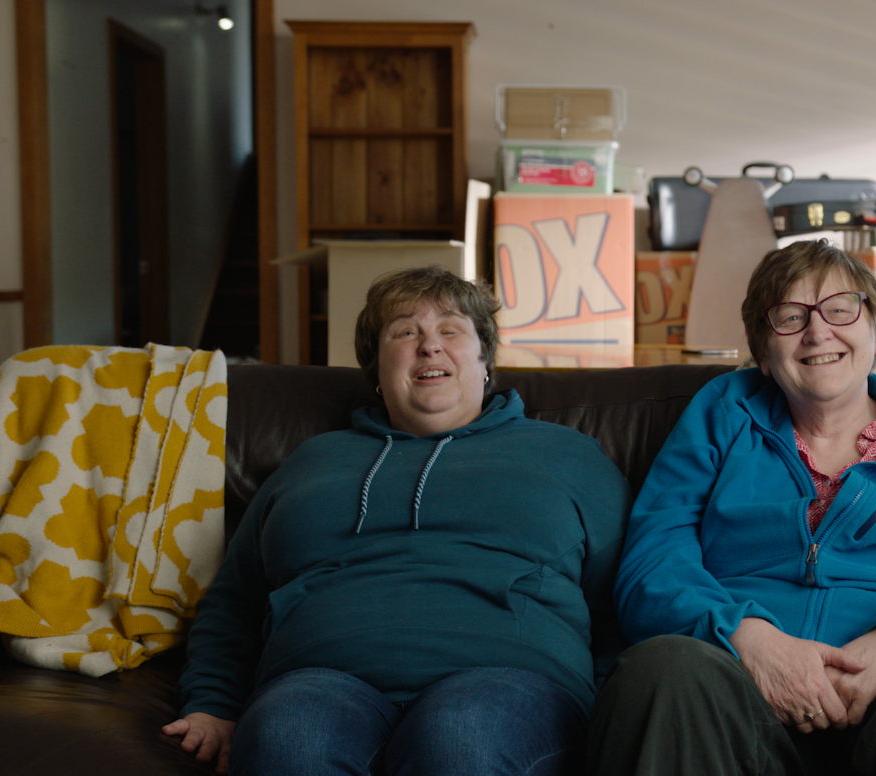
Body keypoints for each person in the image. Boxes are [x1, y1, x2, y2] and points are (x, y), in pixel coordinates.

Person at [588, 240, 876, 776]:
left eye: (841, 309)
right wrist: (748, 637)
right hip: (738, 700)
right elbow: (652, 563)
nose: (819, 332)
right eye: (790, 318)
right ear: (764, 355)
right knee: (660, 671)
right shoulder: (722, 414)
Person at [162, 265, 629, 776]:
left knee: (457, 737)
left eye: (451, 329)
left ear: (485, 359)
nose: (429, 346)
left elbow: (627, 600)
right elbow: (235, 598)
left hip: (510, 684)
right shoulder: (313, 461)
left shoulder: (568, 457)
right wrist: (212, 703)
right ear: (376, 371)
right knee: (286, 738)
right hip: (317, 682)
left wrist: (614, 715)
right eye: (405, 331)